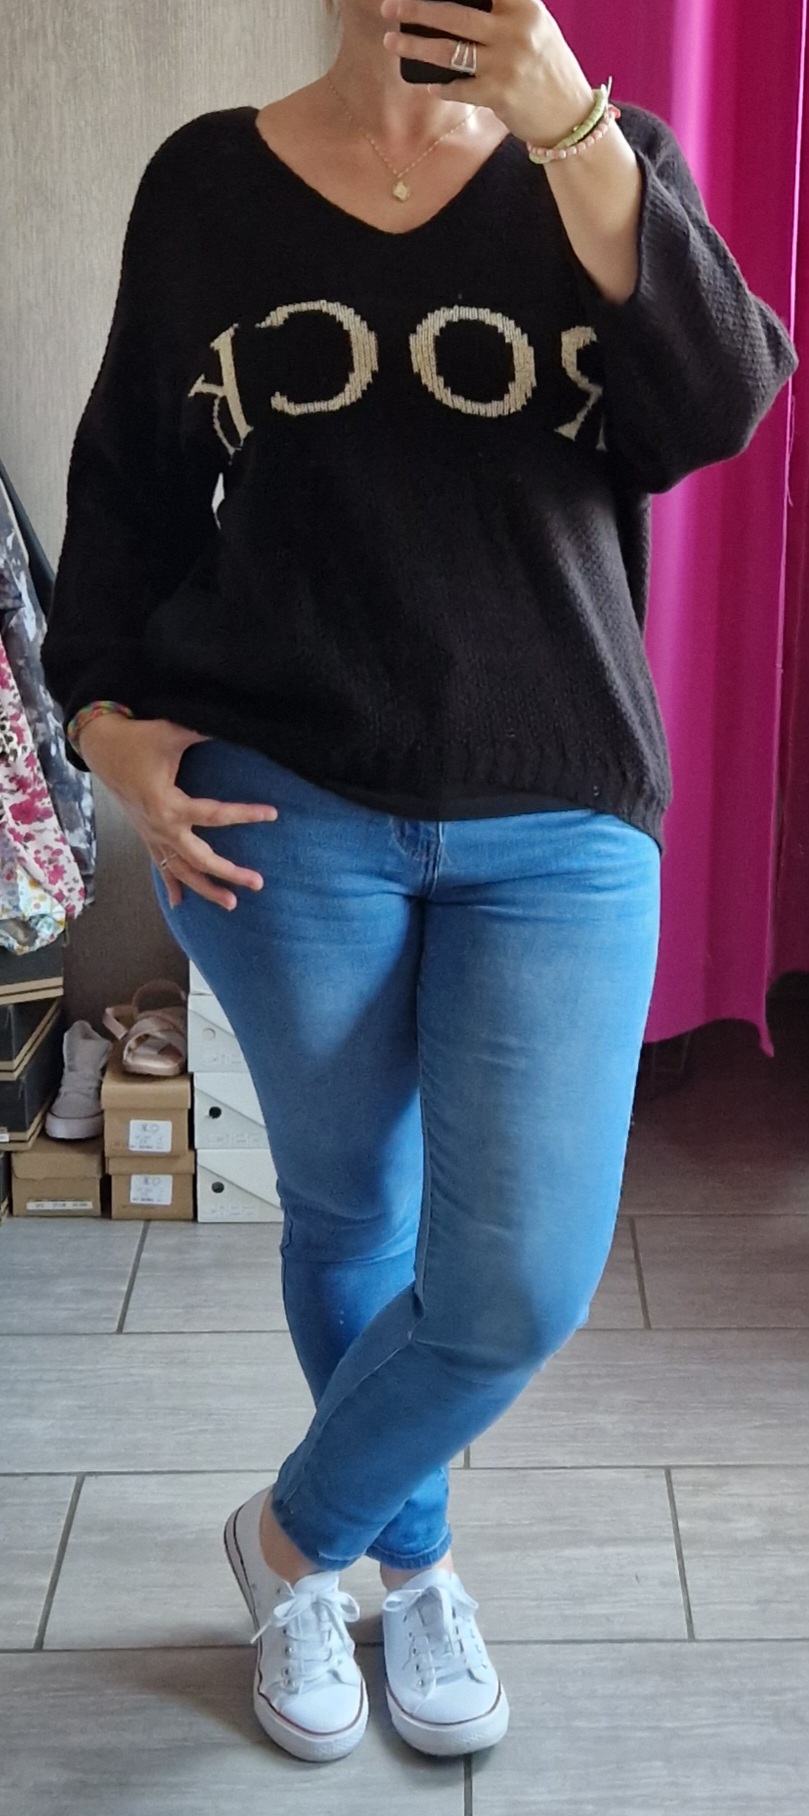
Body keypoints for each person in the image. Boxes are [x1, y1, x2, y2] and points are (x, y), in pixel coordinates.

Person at [41, 0, 797, 1770]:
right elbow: (132, 486)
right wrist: (102, 724)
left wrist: (572, 131)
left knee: (514, 1284)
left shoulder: (599, 163)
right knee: (348, 1216)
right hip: (278, 800)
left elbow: (717, 407)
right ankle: (405, 1568)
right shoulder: (208, 182)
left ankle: (289, 1538)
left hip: (559, 801)